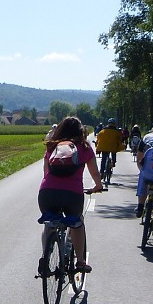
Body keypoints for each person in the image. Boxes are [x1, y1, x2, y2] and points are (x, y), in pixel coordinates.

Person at [38, 116, 105, 273]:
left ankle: (45, 257)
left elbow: (46, 172)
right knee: (77, 223)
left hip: (47, 192)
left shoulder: (51, 146)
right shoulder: (85, 147)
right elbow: (94, 172)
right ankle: (81, 262)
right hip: (72, 195)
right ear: (81, 130)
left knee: (50, 222)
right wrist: (98, 186)